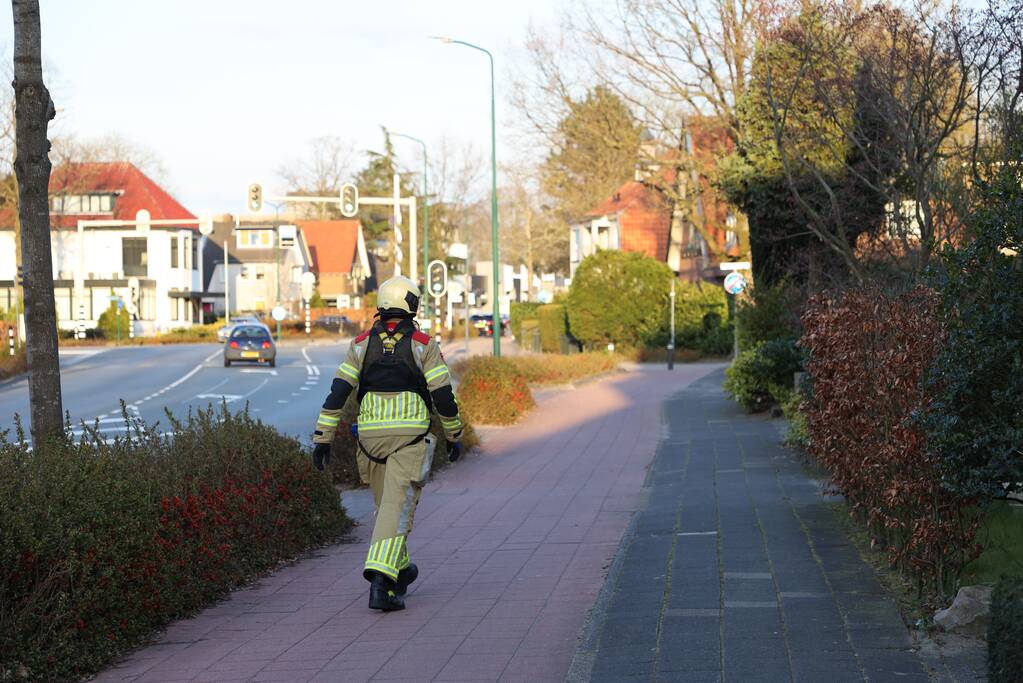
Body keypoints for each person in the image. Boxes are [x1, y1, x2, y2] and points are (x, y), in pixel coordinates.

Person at [311, 276, 463, 612]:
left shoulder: (360, 345)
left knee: (387, 509)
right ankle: (380, 582)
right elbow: (443, 396)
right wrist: (454, 435)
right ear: (412, 304)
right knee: (396, 509)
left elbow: (338, 393)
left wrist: (323, 438)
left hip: (369, 442)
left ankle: (402, 570)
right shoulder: (423, 345)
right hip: (409, 440)